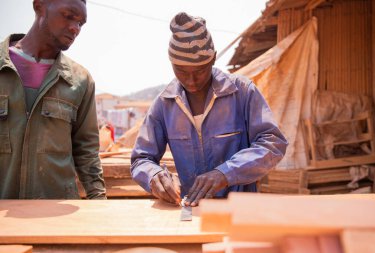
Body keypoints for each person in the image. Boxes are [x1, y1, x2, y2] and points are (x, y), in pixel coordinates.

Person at [131, 12, 288, 206]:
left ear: (213, 58)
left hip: (239, 209)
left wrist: (226, 172)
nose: (191, 80)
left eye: (200, 70)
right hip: (191, 209)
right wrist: (154, 176)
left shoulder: (242, 92)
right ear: (171, 63)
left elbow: (273, 144)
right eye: (181, 71)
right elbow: (141, 158)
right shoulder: (164, 104)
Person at [0, 0, 106, 199]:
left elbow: (87, 153)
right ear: (39, 6)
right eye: (68, 16)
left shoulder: (80, 80)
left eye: (81, 23)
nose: (75, 28)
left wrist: (100, 204)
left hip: (56, 218)